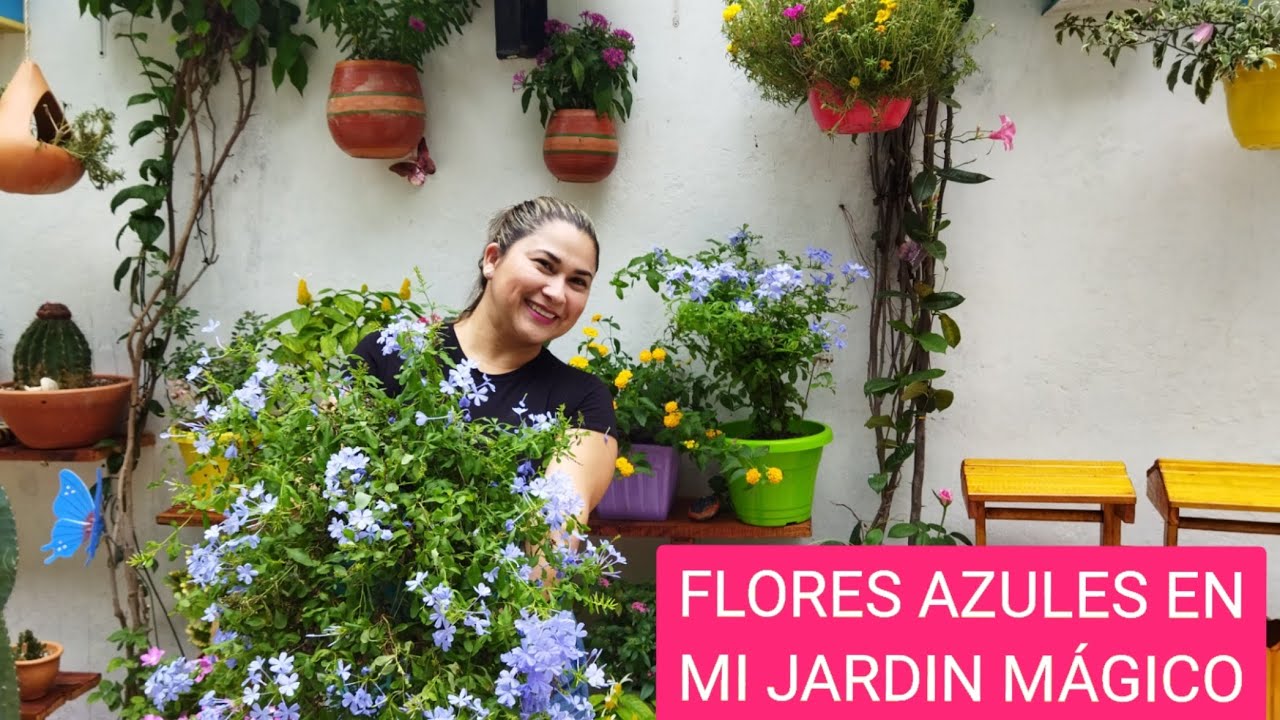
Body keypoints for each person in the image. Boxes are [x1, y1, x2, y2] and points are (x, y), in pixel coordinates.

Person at [353, 196, 618, 528]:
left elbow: (554, 532)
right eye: (544, 265)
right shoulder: (389, 354)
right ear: (492, 260)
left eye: (578, 282)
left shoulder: (583, 401)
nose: (557, 293)